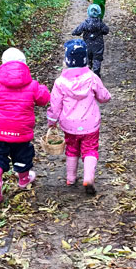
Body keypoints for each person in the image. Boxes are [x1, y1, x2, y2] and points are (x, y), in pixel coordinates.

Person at [0, 47, 50, 203]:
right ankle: (23, 179)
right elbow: (43, 100)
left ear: (3, 64)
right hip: (21, 131)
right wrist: (42, 88)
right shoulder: (32, 85)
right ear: (24, 65)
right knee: (22, 154)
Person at [47, 39, 111, 196]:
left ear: (67, 61)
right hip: (90, 124)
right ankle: (88, 178)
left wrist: (52, 121)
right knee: (90, 149)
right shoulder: (92, 77)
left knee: (72, 148)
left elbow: (55, 104)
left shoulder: (60, 82)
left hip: (69, 125)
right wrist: (106, 97)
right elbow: (103, 96)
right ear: (85, 60)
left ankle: (70, 178)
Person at [72, 3, 109, 77]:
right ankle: (96, 73)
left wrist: (75, 33)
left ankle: (87, 72)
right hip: (98, 45)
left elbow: (76, 31)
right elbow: (106, 31)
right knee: (97, 59)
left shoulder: (85, 23)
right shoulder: (100, 23)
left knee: (87, 58)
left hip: (87, 44)